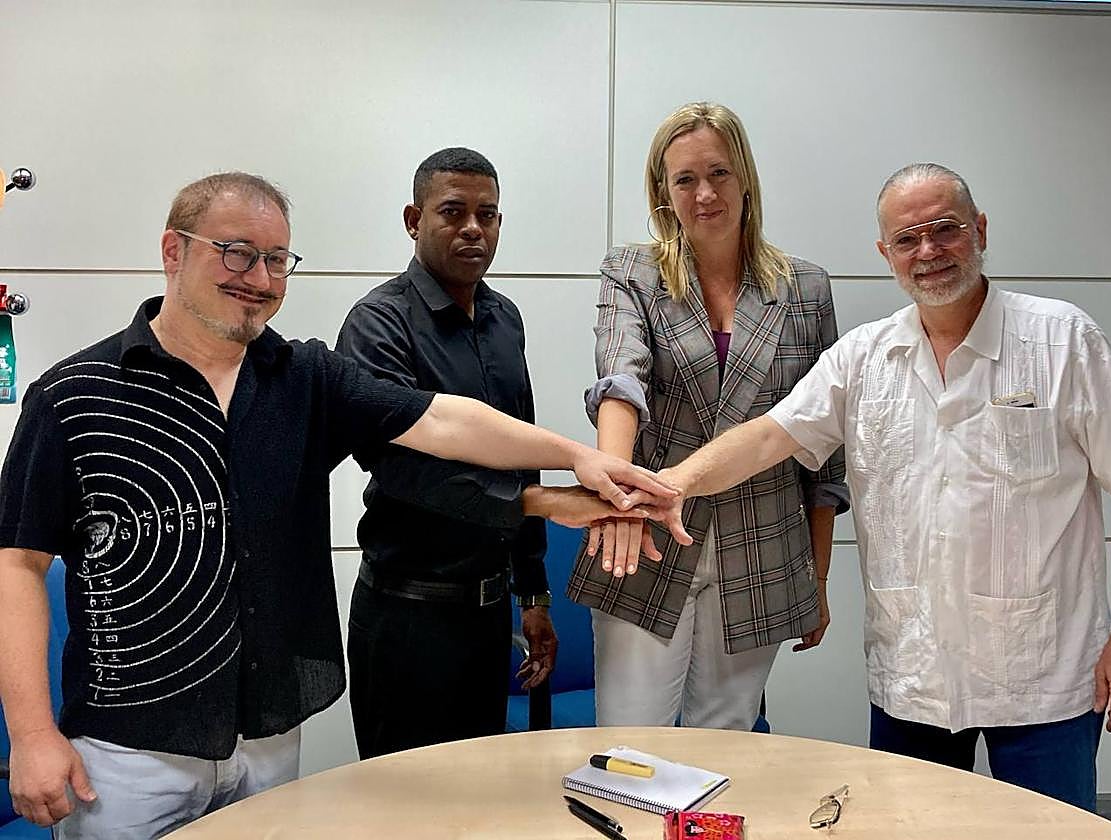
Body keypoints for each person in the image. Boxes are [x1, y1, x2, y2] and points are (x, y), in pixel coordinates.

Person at [0, 172, 674, 838]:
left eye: (276, 260)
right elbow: (18, 565)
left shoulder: (304, 378)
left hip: (267, 736)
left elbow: (442, 422)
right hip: (128, 750)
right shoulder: (74, 397)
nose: (259, 279)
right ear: (173, 251)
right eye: (236, 252)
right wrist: (31, 734)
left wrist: (579, 457)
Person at [648, 163, 1111, 811]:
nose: (928, 252)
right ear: (885, 254)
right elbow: (766, 438)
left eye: (945, 230)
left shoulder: (1062, 339)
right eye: (907, 239)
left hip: (1046, 676)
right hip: (913, 680)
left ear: (979, 230)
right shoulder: (863, 358)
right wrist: (667, 485)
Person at [566, 102, 849, 731]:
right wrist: (615, 492)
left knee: (725, 744)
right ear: (663, 192)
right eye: (684, 180)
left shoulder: (806, 289)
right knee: (631, 743)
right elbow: (620, 381)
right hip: (645, 534)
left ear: (745, 175)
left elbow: (824, 451)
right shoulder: (632, 272)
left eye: (718, 173)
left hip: (765, 542)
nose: (704, 194)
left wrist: (819, 576)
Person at [335, 147, 559, 757]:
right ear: (414, 219)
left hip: (487, 622)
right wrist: (539, 502)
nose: (473, 229)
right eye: (453, 212)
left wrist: (533, 595)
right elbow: (405, 469)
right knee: (404, 809)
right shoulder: (378, 324)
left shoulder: (504, 319)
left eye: (487, 215)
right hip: (407, 619)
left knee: (479, 800)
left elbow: (520, 446)